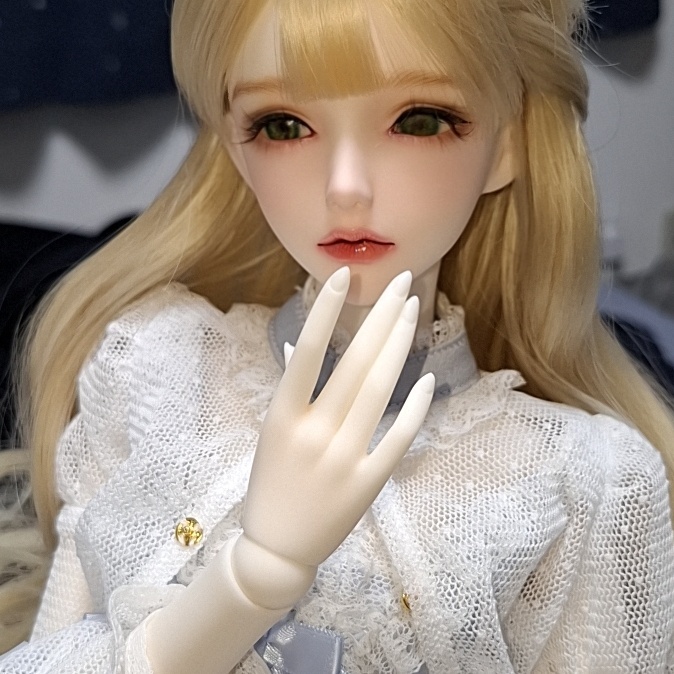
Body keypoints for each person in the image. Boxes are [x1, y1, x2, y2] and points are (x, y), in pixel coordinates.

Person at [2, 0, 674, 671]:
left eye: (420, 120)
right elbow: (52, 646)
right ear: (235, 146)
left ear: (508, 144)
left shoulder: (587, 480)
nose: (345, 188)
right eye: (282, 125)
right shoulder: (151, 363)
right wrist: (250, 582)